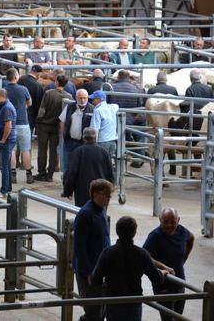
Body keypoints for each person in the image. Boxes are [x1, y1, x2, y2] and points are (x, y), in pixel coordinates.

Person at [91, 216, 167, 321]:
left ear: (117, 231)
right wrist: (162, 272)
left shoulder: (107, 253)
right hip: (134, 304)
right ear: (134, 232)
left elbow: (95, 280)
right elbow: (157, 279)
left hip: (113, 304)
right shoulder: (142, 254)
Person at [72, 179, 114, 321]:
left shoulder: (101, 210)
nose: (108, 199)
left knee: (101, 310)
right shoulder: (85, 214)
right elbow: (79, 246)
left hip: (101, 267)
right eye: (106, 195)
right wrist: (88, 271)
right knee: (93, 311)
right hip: (89, 271)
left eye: (110, 196)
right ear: (95, 194)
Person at [143, 208, 195, 321]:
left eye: (173, 221)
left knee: (178, 317)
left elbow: (191, 238)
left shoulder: (182, 231)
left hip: (180, 282)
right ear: (160, 220)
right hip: (162, 285)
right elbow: (145, 257)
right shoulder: (154, 236)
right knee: (167, 318)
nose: (169, 225)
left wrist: (184, 258)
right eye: (165, 221)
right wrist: (163, 267)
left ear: (178, 220)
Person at [62, 127, 114, 207]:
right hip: (101, 191)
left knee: (84, 215)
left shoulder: (77, 152)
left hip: (83, 191)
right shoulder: (104, 152)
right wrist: (109, 190)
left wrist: (68, 191)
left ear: (83, 137)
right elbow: (110, 173)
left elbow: (72, 173)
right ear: (96, 137)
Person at [34, 74, 71, 181]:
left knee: (42, 150)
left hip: (44, 125)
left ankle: (41, 173)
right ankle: (50, 174)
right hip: (57, 127)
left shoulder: (48, 93)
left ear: (56, 82)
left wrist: (38, 120)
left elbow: (42, 110)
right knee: (53, 151)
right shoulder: (68, 97)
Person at [110, 70, 146, 168]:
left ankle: (116, 161)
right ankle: (138, 157)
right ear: (128, 77)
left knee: (117, 140)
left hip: (115, 119)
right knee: (138, 136)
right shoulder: (136, 88)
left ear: (118, 77)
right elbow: (139, 106)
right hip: (131, 120)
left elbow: (108, 104)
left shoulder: (112, 87)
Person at [3, 68, 33, 184]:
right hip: (23, 123)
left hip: (9, 123)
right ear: (16, 77)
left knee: (12, 150)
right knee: (25, 150)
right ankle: (28, 174)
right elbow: (29, 103)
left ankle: (13, 174)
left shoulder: (4, 91)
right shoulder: (23, 89)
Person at [59, 88, 94, 180]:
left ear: (87, 98)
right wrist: (64, 133)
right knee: (67, 166)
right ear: (76, 98)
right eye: (80, 98)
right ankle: (66, 186)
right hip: (69, 141)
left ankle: (79, 186)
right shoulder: (70, 106)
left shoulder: (92, 109)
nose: (82, 100)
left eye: (84, 98)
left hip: (83, 143)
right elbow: (62, 121)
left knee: (82, 166)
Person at [0, 88, 17, 196]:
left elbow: (8, 126)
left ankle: (4, 191)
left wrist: (2, 140)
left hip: (7, 141)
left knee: (4, 167)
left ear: (3, 96)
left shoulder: (7, 108)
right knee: (6, 166)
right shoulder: (4, 107)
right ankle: (8, 188)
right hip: (6, 141)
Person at [90, 89, 120, 162]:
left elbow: (94, 129)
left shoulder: (98, 111)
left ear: (100, 100)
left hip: (102, 142)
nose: (92, 101)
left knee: (99, 164)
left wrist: (92, 143)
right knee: (108, 164)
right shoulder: (113, 107)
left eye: (94, 99)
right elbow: (117, 106)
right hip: (113, 141)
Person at [18, 64, 44, 129]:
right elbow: (39, 102)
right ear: (38, 73)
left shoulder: (21, 79)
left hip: (18, 111)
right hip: (31, 115)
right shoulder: (38, 85)